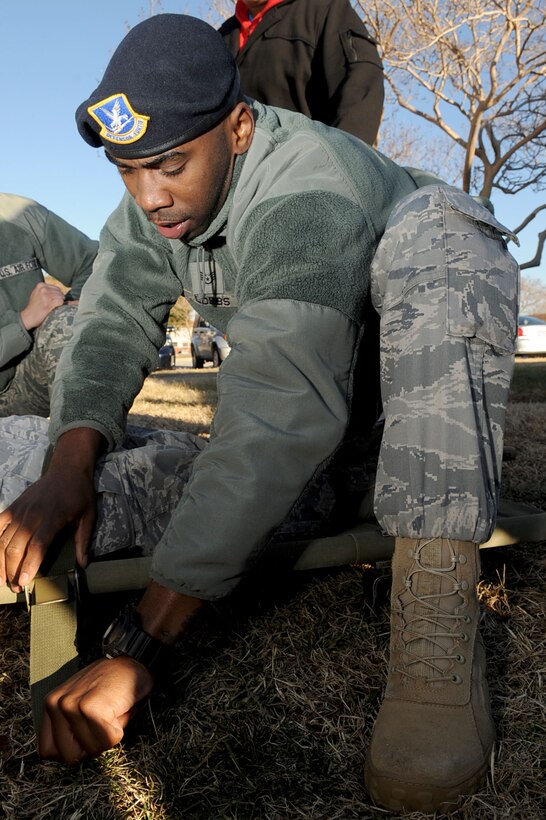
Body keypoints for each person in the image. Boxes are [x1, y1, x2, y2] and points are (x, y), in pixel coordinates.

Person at [0, 15, 518, 814]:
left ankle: (436, 607)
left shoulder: (304, 185)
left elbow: (279, 412)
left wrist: (141, 640)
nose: (151, 196)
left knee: (437, 233)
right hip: (333, 436)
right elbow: (107, 323)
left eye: (170, 164)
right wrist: (70, 464)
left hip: (413, 420)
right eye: (127, 170)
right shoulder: (153, 206)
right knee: (130, 474)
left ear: (237, 127)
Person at [218, 0, 384, 144]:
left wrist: (337, 170)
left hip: (301, 170)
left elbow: (361, 88)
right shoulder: (222, 36)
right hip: (230, 176)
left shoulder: (324, 9)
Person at [0, 194, 98, 417]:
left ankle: (79, 439)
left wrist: (67, 304)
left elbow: (92, 262)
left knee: (66, 321)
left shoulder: (19, 213)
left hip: (25, 383)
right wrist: (23, 321)